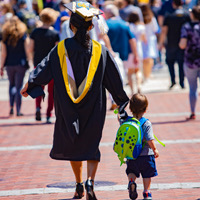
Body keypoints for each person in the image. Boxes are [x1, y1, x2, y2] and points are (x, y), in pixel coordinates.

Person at [20, 1, 129, 199]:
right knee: (91, 144)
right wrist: (121, 101)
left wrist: (31, 84)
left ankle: (78, 183)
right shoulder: (100, 51)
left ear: (71, 26)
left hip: (67, 106)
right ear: (90, 26)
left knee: (74, 143)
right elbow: (114, 79)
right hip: (94, 106)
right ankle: (90, 182)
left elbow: (42, 69)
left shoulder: (60, 49)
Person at [125, 93, 159, 200]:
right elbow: (150, 139)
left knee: (131, 172)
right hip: (146, 155)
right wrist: (155, 149)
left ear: (130, 108)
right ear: (145, 109)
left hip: (131, 155)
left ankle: (131, 182)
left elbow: (119, 119)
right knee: (146, 174)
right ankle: (147, 192)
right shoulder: (146, 123)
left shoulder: (127, 121)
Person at [29, 7, 60, 123]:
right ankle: (48, 113)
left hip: (38, 64)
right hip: (51, 65)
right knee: (51, 91)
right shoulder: (54, 33)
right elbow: (57, 51)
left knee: (38, 88)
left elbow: (30, 48)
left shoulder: (35, 32)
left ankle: (38, 107)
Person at [0, 16, 31, 116]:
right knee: (19, 87)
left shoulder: (5, 37)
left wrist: (1, 66)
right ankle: (18, 109)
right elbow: (28, 50)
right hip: (21, 63)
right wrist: (29, 61)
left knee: (11, 85)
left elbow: (3, 53)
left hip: (9, 64)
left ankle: (11, 107)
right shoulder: (23, 35)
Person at [158, 0, 190, 89]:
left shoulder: (169, 15)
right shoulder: (186, 15)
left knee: (170, 62)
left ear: (173, 4)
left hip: (171, 43)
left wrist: (160, 43)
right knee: (181, 63)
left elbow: (164, 30)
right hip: (182, 43)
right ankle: (182, 82)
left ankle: (173, 81)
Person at [179, 5, 200, 120]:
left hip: (191, 61)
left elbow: (182, 44)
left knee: (193, 88)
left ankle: (193, 112)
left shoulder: (187, 27)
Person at [127, 12, 145, 94]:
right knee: (138, 70)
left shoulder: (128, 26)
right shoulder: (141, 27)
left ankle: (132, 90)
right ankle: (139, 86)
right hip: (138, 48)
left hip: (129, 49)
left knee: (130, 71)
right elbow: (144, 39)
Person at [140, 4, 159, 81]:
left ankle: (144, 74)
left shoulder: (139, 19)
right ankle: (148, 74)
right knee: (150, 58)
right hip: (150, 39)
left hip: (142, 40)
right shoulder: (152, 18)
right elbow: (156, 29)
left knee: (143, 58)